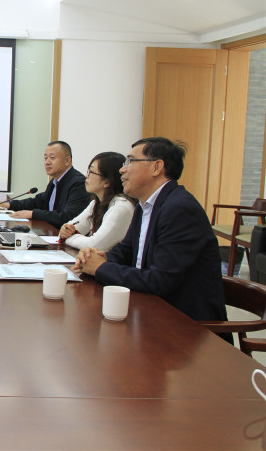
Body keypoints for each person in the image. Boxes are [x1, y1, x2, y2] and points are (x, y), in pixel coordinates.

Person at [72, 137, 228, 323]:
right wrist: (97, 257)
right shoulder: (145, 205)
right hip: (149, 308)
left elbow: (160, 281)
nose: (122, 169)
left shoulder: (179, 208)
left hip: (185, 323)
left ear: (157, 167)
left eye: (130, 161)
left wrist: (101, 267)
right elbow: (125, 252)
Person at [0, 141, 91, 228]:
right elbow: (37, 202)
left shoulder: (78, 184)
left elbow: (67, 217)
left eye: (52, 158)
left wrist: (32, 214)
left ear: (67, 160)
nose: (47, 162)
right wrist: (8, 205)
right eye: (45, 158)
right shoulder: (55, 182)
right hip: (51, 232)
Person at [58, 152, 135, 251]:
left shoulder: (121, 207)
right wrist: (65, 231)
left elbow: (95, 245)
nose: (86, 175)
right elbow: (70, 228)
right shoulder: (96, 202)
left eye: (92, 172)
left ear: (107, 181)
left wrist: (68, 237)